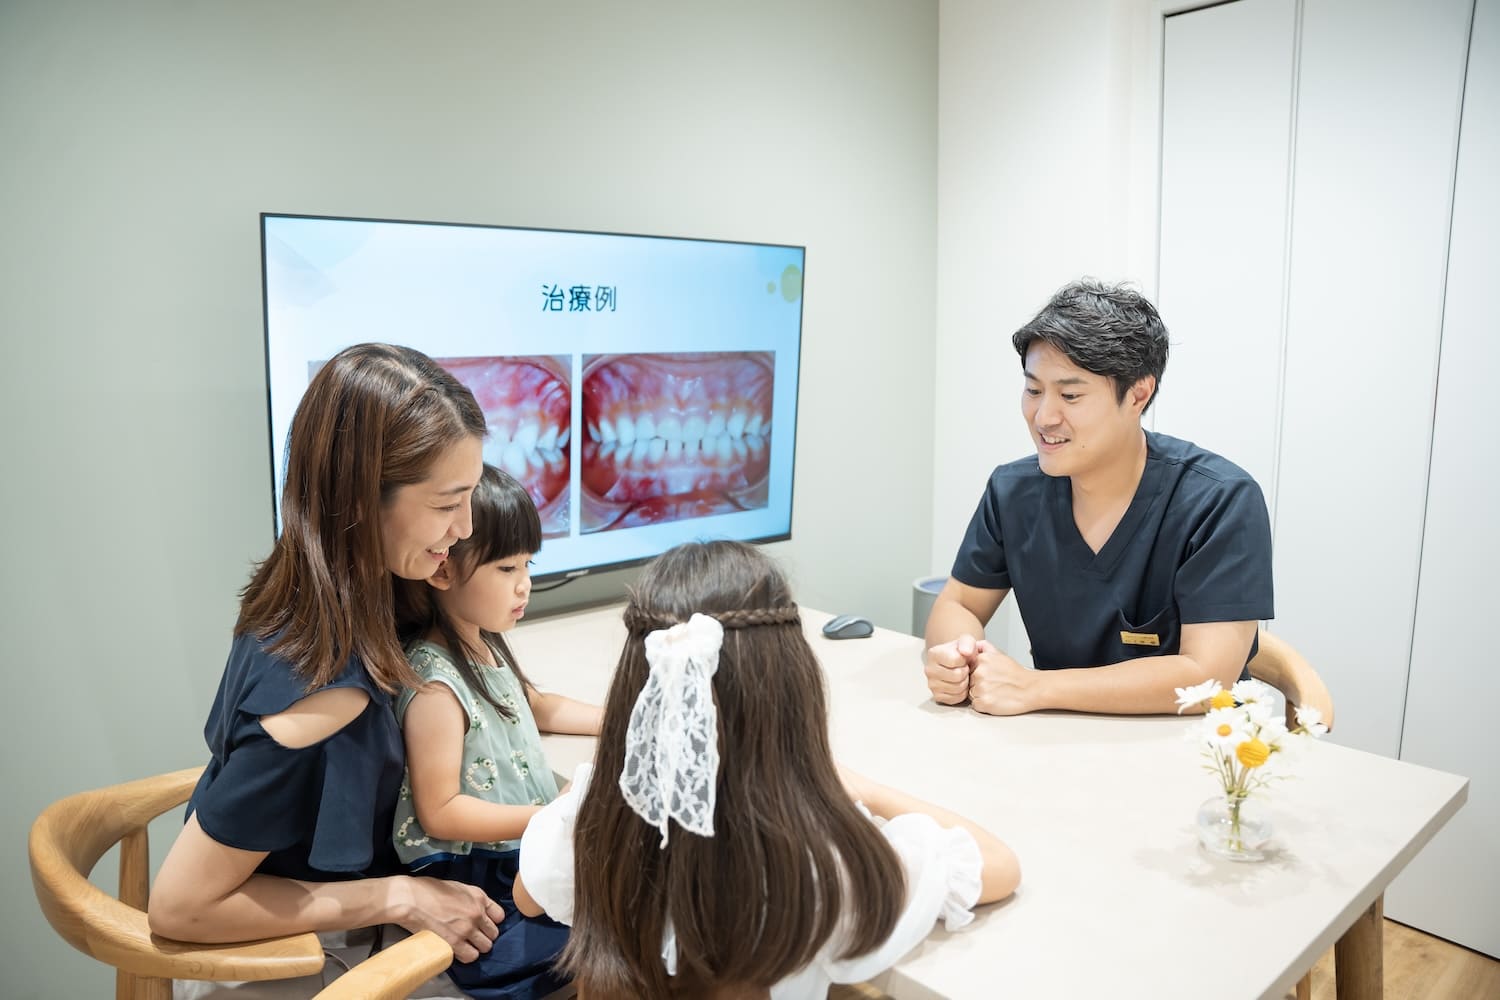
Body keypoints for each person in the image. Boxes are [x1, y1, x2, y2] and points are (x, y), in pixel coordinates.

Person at [513, 540, 1021, 999]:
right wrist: (857, 787)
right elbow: (997, 865)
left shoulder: (587, 825)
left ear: (636, 694)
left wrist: (610, 774)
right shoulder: (826, 866)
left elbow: (529, 896)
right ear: (790, 690)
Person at [148, 343, 508, 974]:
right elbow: (179, 907)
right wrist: (400, 896)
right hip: (293, 957)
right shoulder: (323, 693)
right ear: (364, 501)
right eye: (448, 504)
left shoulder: (324, 588)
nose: (467, 527)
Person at [923, 279, 1274, 716]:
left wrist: (1035, 689)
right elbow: (958, 603)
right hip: (1052, 743)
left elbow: (1206, 677)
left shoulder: (1218, 501)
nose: (1044, 417)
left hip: (1186, 752)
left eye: (1070, 395)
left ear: (1138, 395)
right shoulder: (1013, 491)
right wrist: (956, 657)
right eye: (1033, 390)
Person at [392, 464, 603, 1000]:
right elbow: (440, 809)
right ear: (442, 573)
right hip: (482, 875)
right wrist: (548, 817)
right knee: (608, 934)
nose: (525, 583)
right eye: (507, 567)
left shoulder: (485, 643)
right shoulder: (436, 684)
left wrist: (620, 720)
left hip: (521, 850)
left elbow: (539, 706)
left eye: (528, 564)